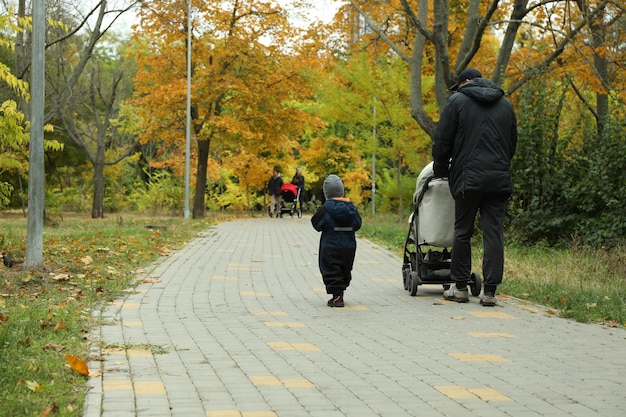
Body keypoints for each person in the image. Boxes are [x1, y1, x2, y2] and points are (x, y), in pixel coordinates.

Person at [432, 68, 517, 307]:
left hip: (467, 179)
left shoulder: (457, 101)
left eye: (458, 85)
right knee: (494, 233)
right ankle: (489, 292)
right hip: (498, 180)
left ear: (466, 82)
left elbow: (442, 142)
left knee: (462, 231)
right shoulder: (506, 105)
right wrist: (498, 166)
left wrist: (441, 171)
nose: (457, 89)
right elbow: (511, 145)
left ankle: (460, 288)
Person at [311, 174, 362, 307]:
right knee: (345, 268)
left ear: (326, 193)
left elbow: (316, 225)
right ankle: (340, 293)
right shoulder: (352, 208)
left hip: (330, 246)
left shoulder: (325, 209)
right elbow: (357, 224)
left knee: (331, 269)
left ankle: (337, 296)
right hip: (349, 245)